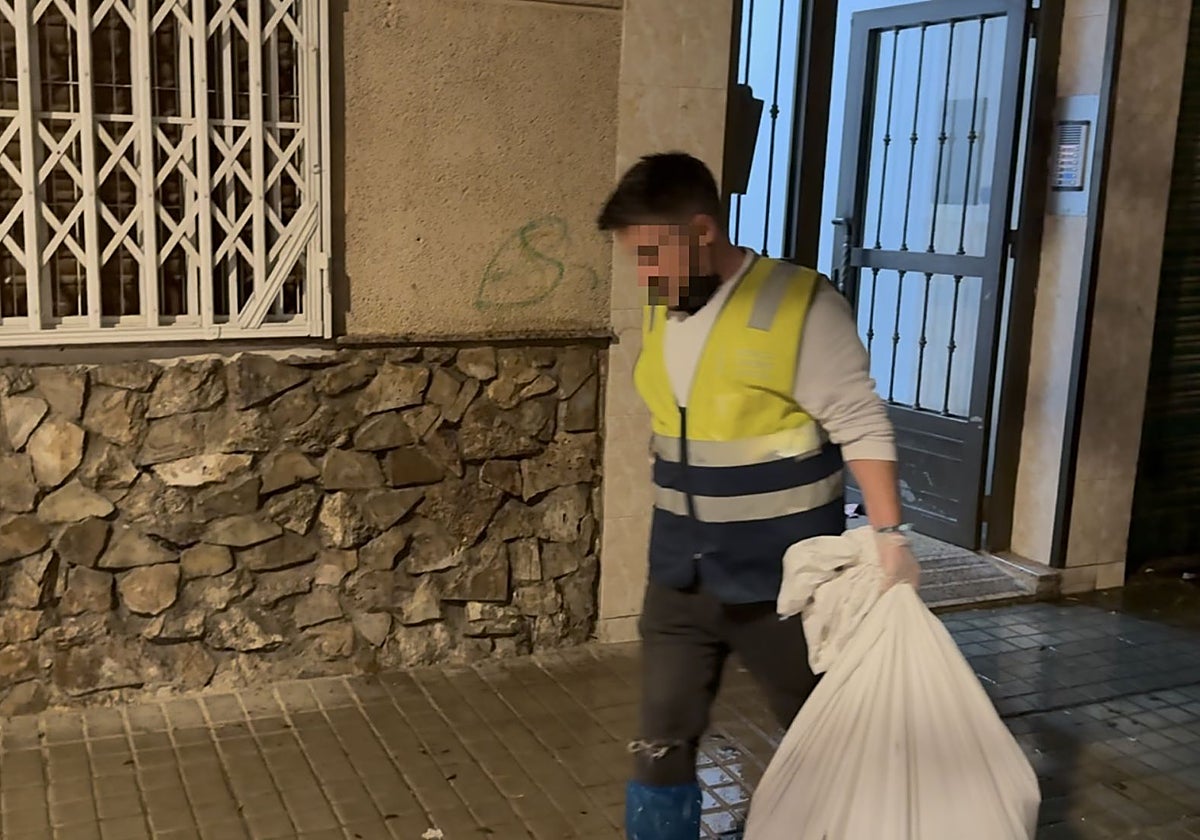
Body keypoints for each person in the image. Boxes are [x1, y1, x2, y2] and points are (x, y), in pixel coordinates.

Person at [596, 152, 921, 839]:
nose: (645, 275)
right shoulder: (666, 307)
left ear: (703, 231)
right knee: (661, 743)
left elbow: (861, 422)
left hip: (786, 589)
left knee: (828, 740)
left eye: (654, 253)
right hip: (682, 578)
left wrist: (890, 537)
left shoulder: (802, 305)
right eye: (635, 259)